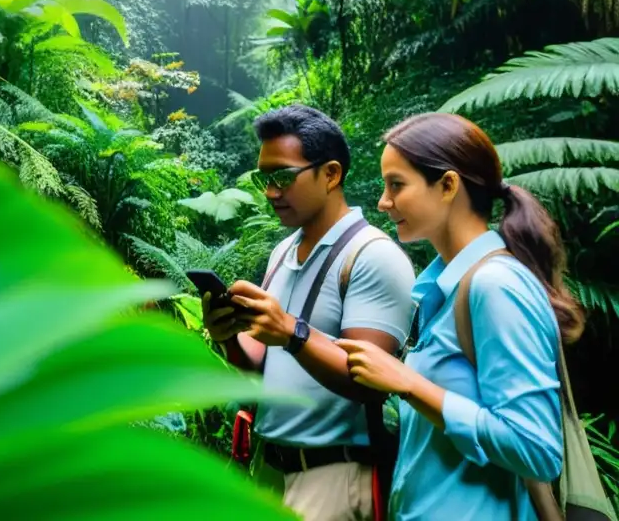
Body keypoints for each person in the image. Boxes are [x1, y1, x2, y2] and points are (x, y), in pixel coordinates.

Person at [336, 113, 583, 520]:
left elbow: (537, 449)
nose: (383, 201)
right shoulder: (442, 291)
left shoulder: (496, 286)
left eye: (396, 184)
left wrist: (411, 385)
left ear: (448, 185)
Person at [205, 105, 416, 521]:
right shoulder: (284, 250)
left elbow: (371, 384)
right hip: (270, 470)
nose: (270, 192)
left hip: (335, 476)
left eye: (283, 177)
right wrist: (227, 334)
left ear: (331, 174)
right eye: (264, 179)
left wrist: (291, 333)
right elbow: (257, 364)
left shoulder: (372, 257)